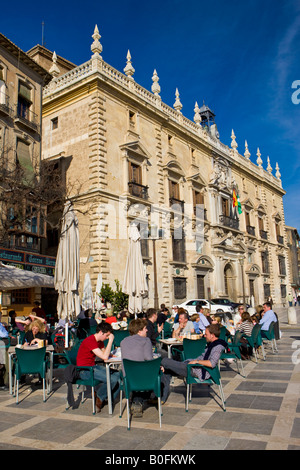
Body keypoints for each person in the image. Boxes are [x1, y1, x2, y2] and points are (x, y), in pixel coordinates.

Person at [161, 323, 227, 400]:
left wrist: (197, 362)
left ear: (212, 335)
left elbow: (211, 363)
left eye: (206, 334)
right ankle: (162, 397)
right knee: (167, 369)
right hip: (192, 366)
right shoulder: (212, 344)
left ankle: (159, 394)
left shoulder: (217, 347)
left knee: (164, 361)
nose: (204, 336)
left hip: (196, 370)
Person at [76, 323, 120, 412]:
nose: (107, 337)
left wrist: (113, 354)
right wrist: (110, 341)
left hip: (93, 367)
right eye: (107, 335)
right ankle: (100, 397)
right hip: (85, 370)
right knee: (112, 379)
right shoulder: (90, 341)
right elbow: (104, 357)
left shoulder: (99, 341)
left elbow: (105, 353)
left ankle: (107, 398)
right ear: (101, 332)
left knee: (119, 375)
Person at [120, 318, 153, 416]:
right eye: (145, 328)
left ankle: (136, 400)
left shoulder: (123, 341)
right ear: (139, 330)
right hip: (141, 378)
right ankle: (142, 400)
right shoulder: (146, 340)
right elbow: (148, 358)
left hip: (127, 377)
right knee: (159, 372)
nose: (147, 330)